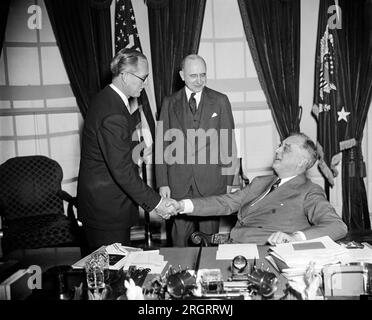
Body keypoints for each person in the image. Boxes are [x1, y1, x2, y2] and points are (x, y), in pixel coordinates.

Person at [77, 48, 177, 252]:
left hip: (105, 207)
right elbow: (121, 172)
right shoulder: (113, 112)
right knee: (110, 277)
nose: (146, 83)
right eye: (143, 77)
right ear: (124, 76)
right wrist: (158, 203)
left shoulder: (106, 99)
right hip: (107, 213)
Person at [175, 133, 348, 245]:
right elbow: (226, 203)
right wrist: (182, 206)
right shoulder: (260, 182)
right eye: (280, 145)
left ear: (301, 162)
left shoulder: (309, 190)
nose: (277, 150)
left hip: (264, 253)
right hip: (232, 246)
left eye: (285, 148)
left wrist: (296, 238)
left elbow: (337, 226)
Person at [155, 54, 237, 247]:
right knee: (179, 242)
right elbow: (161, 145)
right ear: (182, 75)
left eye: (203, 75)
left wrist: (227, 185)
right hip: (179, 184)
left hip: (212, 185)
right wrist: (163, 182)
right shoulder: (169, 102)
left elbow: (229, 146)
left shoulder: (220, 101)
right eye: (193, 76)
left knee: (209, 243)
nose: (199, 80)